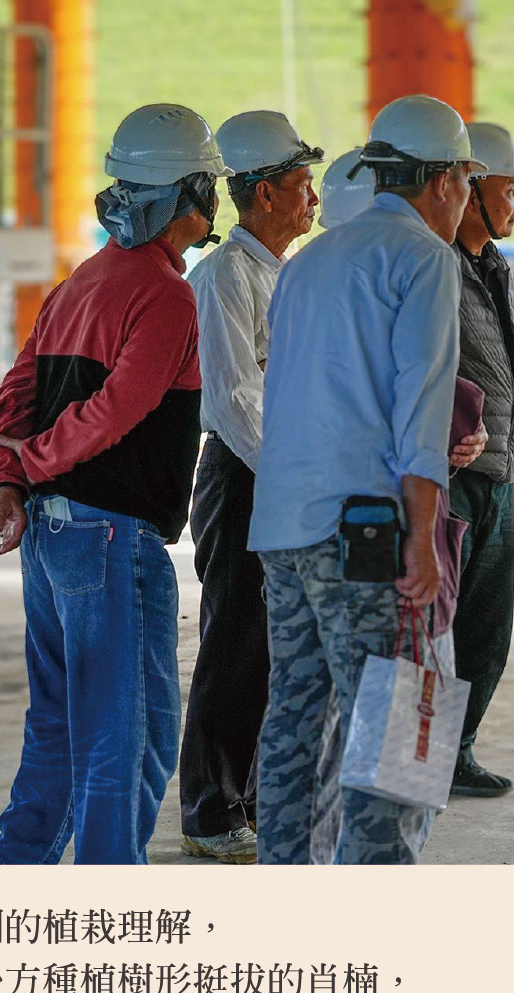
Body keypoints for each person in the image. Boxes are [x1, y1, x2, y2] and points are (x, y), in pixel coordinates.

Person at [0, 104, 232, 864]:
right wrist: (32, 464)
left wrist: (10, 482)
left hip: (50, 534)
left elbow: (13, 393)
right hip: (109, 537)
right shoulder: (164, 294)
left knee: (60, 727)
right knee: (130, 739)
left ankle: (14, 872)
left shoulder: (79, 283)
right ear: (190, 194)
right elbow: (119, 407)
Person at [248, 94, 485, 864]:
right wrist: (422, 537)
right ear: (444, 181)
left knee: (296, 720)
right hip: (366, 535)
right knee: (398, 725)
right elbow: (422, 405)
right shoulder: (424, 258)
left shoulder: (310, 260)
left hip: (283, 525)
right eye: (467, 181)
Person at [177, 111, 324, 865]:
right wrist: (297, 479)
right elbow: (237, 398)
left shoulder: (287, 274)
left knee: (275, 645)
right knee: (235, 644)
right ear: (263, 194)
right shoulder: (226, 277)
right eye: (302, 184)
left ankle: (260, 800)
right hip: (245, 474)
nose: (313, 199)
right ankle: (210, 808)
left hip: (283, 468)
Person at [445, 122, 514, 798]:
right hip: (449, 475)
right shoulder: (435, 264)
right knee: (429, 631)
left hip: (497, 476)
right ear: (472, 188)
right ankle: (412, 764)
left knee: (485, 632)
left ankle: (455, 751)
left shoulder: (494, 265)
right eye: (508, 190)